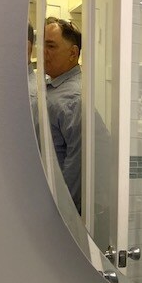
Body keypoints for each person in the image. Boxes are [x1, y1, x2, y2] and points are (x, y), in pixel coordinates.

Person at [44, 16, 82, 214]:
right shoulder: (52, 87)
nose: (43, 52)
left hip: (58, 210)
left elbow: (77, 165)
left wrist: (60, 212)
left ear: (72, 53)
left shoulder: (74, 98)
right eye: (42, 45)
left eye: (51, 46)